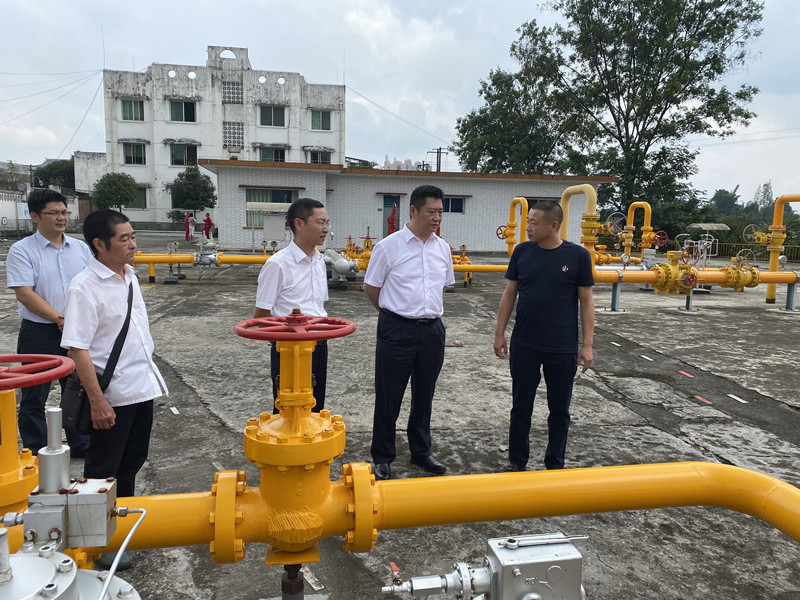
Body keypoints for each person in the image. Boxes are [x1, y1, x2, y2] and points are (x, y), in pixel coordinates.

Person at [61, 209, 168, 570]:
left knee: (131, 463)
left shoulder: (130, 277)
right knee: (102, 469)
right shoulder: (85, 287)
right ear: (99, 244)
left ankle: (118, 530)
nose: (133, 244)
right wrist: (97, 402)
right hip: (112, 394)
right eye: (124, 239)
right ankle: (95, 541)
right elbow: (78, 349)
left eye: (133, 236)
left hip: (141, 387)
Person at [493, 200, 595, 472]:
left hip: (561, 347)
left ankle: (555, 464)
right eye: (528, 221)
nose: (527, 227)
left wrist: (587, 345)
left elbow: (586, 302)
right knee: (520, 407)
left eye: (533, 223)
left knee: (559, 410)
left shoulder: (577, 256)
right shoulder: (522, 252)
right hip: (525, 343)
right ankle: (517, 462)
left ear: (553, 225)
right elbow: (509, 294)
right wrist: (499, 333)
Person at [363, 184, 455, 481]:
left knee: (425, 394)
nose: (437, 218)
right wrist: (394, 314)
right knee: (389, 395)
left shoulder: (442, 248)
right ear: (413, 210)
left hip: (432, 330)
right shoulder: (388, 247)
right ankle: (382, 456)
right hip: (396, 328)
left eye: (440, 212)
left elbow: (442, 287)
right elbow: (371, 288)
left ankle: (421, 450)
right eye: (431, 212)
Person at [5, 189, 92, 456]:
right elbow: (25, 294)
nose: (61, 218)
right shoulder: (22, 250)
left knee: (76, 389)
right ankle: (36, 449)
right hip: (39, 333)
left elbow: (91, 286)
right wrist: (60, 318)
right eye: (53, 213)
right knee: (34, 393)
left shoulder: (80, 248)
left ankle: (80, 444)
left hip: (74, 330)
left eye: (64, 212)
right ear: (34, 216)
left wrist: (77, 321)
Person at [254, 198, 330, 412]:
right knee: (288, 410)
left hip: (319, 344)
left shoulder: (319, 261)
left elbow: (318, 306)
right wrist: (281, 344)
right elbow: (261, 315)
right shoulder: (278, 264)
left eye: (327, 223)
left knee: (315, 407)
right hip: (290, 349)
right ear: (299, 224)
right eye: (320, 222)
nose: (326, 229)